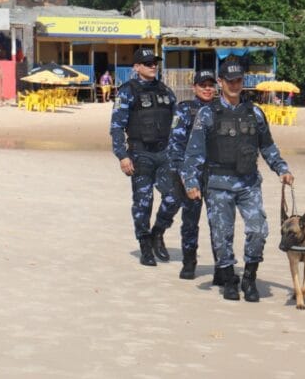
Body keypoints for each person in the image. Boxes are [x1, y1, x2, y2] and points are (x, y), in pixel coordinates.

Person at [181, 60, 294, 302]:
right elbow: (194, 152)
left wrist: (281, 168)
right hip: (218, 184)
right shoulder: (207, 113)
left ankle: (250, 278)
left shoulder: (255, 113)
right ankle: (230, 278)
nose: (234, 85)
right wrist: (190, 182)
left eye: (238, 80)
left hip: (248, 182)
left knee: (258, 230)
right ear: (220, 82)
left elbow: (267, 146)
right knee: (222, 236)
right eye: (229, 81)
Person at [110, 47, 178, 266]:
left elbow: (177, 124)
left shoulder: (166, 91)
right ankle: (145, 244)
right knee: (143, 202)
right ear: (136, 67)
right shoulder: (127, 91)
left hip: (165, 152)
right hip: (140, 153)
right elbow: (116, 127)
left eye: (155, 62)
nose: (153, 66)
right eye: (148, 63)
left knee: (174, 196)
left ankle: (157, 232)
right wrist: (122, 155)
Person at [164, 69, 217, 279]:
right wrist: (183, 175)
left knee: (219, 223)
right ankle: (189, 262)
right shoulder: (185, 110)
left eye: (210, 85)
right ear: (194, 87)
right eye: (203, 85)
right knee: (189, 222)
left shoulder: (222, 109)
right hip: (191, 175)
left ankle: (222, 265)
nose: (207, 89)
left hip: (215, 175)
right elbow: (175, 145)